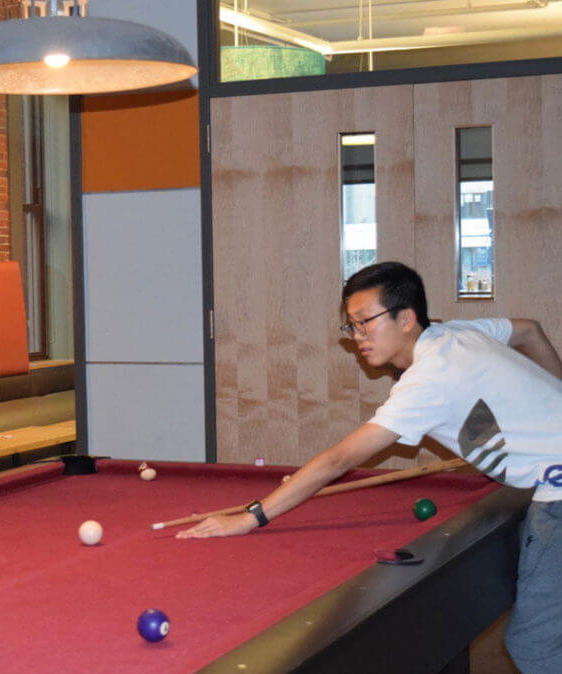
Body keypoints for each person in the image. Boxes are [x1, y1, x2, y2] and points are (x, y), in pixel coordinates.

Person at [177, 261, 562, 672]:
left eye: (365, 322)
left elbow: (339, 459)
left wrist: (252, 517)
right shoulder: (457, 334)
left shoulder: (427, 380)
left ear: (407, 318)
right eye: (352, 326)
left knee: (534, 645)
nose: (357, 337)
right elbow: (529, 329)